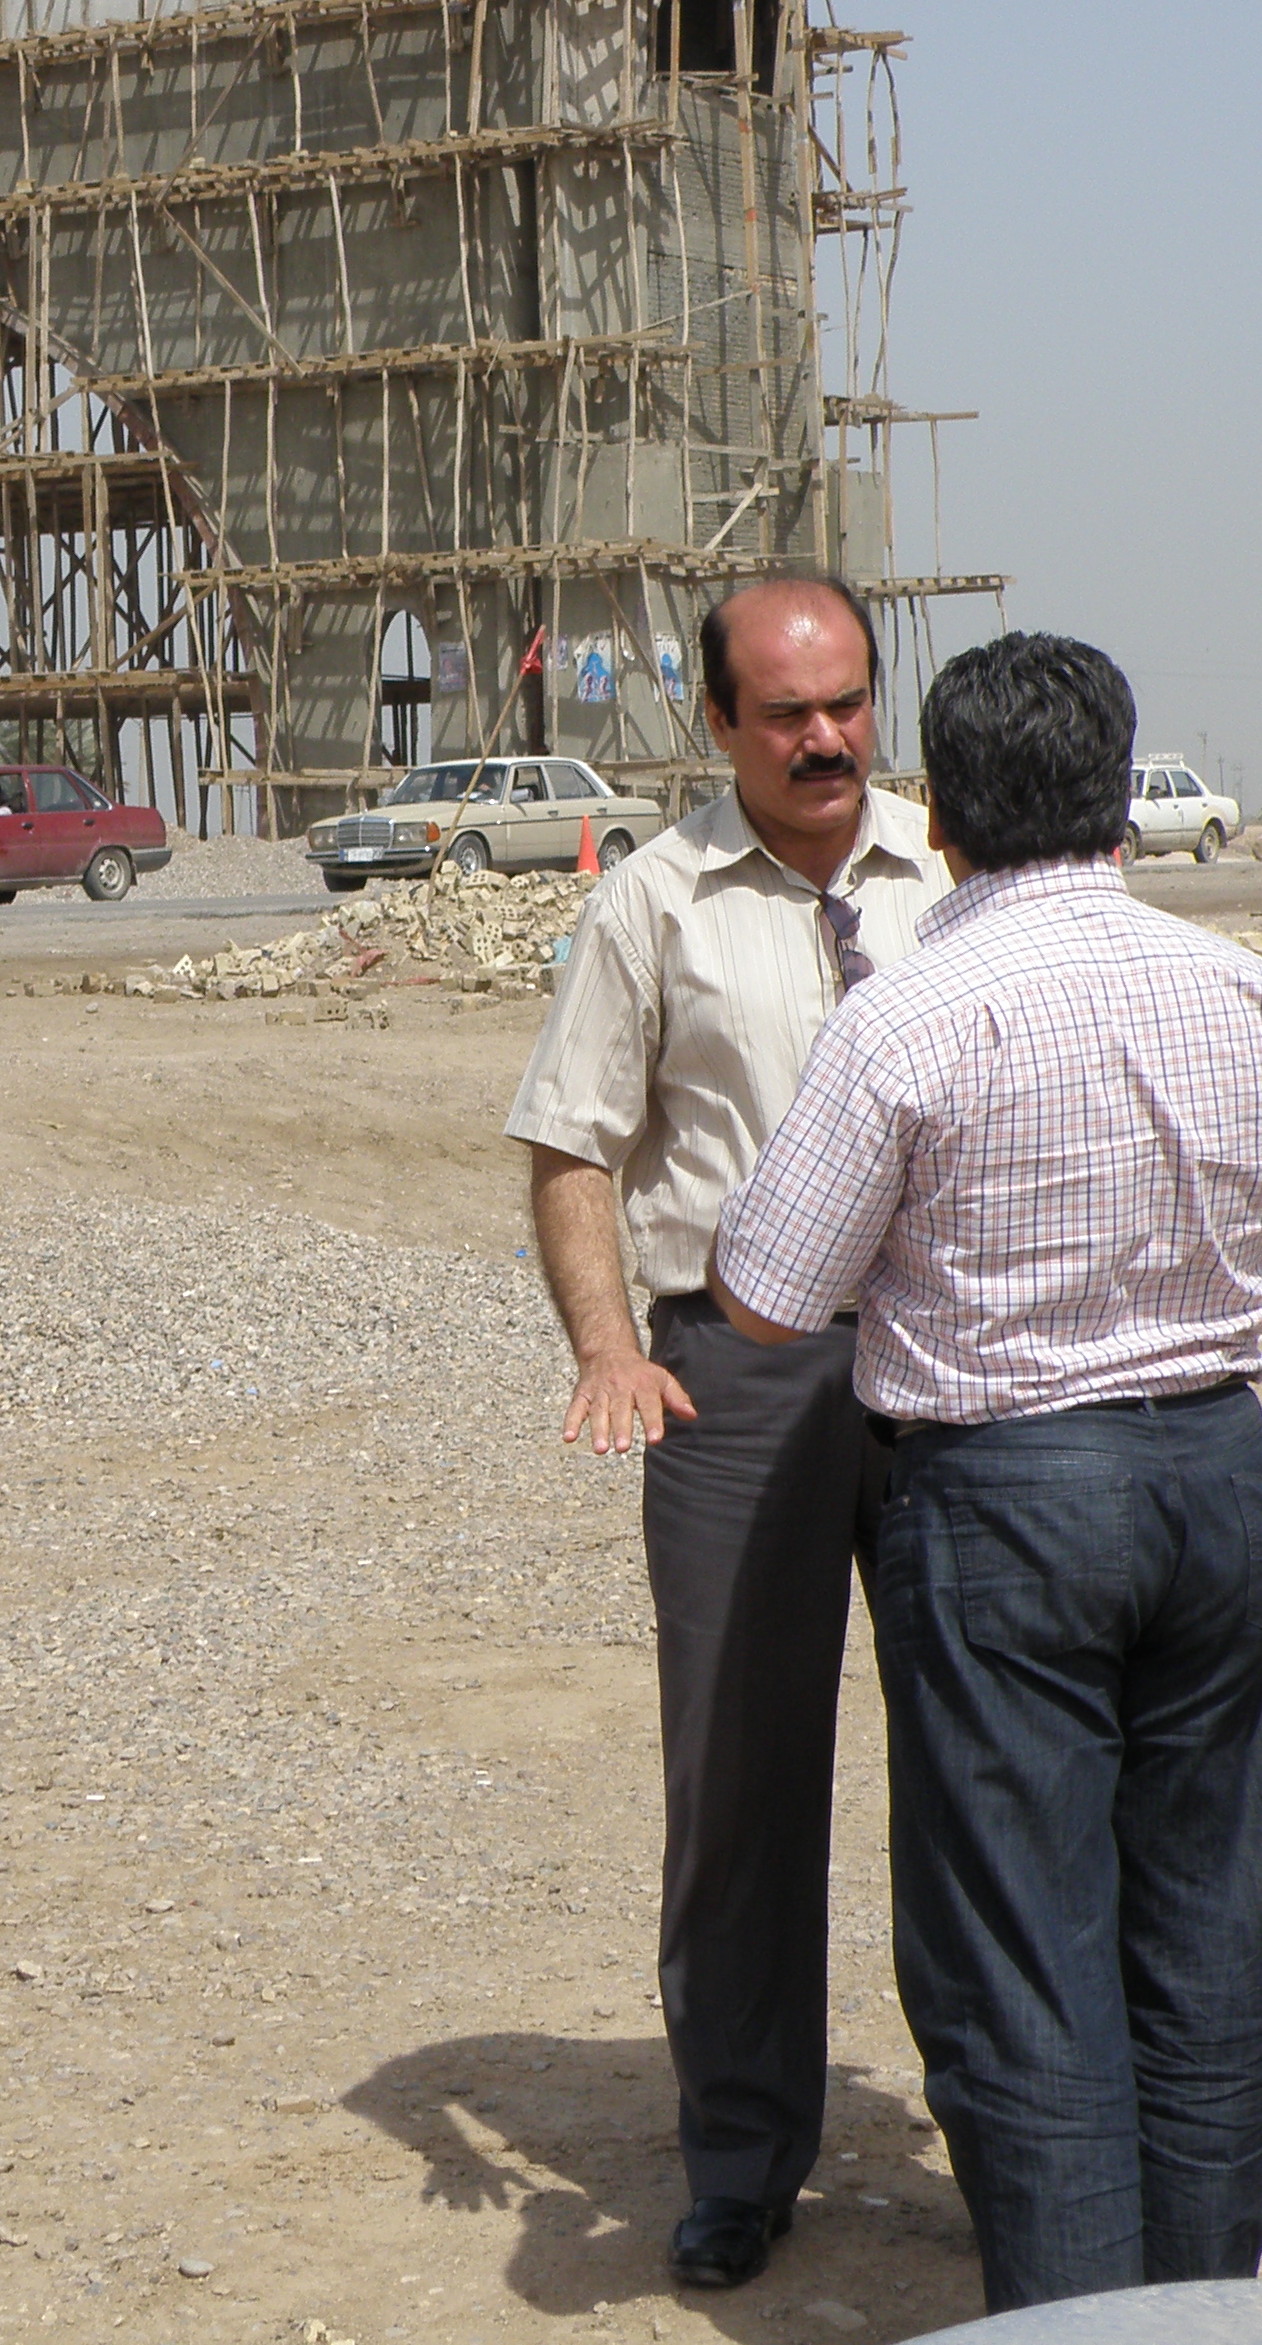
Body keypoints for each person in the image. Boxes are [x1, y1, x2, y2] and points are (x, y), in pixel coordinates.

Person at [709, 631, 1262, 2314]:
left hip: (1005, 1501)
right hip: (1215, 1470)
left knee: (1022, 1965)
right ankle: (1204, 2313)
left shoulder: (911, 1010)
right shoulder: (1244, 993)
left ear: (944, 813)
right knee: (1203, 1939)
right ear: (1121, 791)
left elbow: (767, 1292)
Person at [503, 576, 951, 2291]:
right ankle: (745, 2156)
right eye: (786, 714)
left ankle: (1006, 2133)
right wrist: (612, 1346)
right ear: (719, 725)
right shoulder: (652, 905)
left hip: (945, 1373)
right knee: (740, 1786)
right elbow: (569, 1145)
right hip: (736, 1383)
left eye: (845, 702)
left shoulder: (956, 880)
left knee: (979, 1773)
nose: (827, 737)